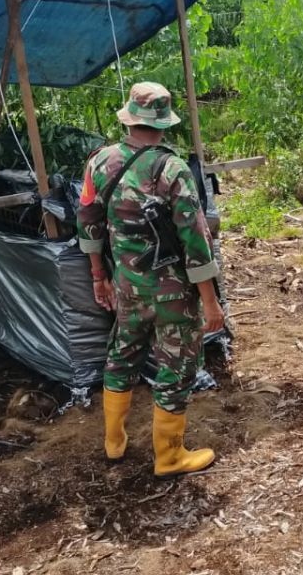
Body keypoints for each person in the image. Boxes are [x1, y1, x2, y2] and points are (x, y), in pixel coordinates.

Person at [77, 82, 225, 478]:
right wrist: (210, 301)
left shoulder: (99, 162)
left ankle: (114, 442)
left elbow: (88, 223)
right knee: (175, 366)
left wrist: (98, 277)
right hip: (173, 294)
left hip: (125, 286)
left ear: (130, 118)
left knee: (122, 355)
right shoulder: (171, 168)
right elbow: (196, 239)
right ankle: (170, 456)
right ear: (163, 123)